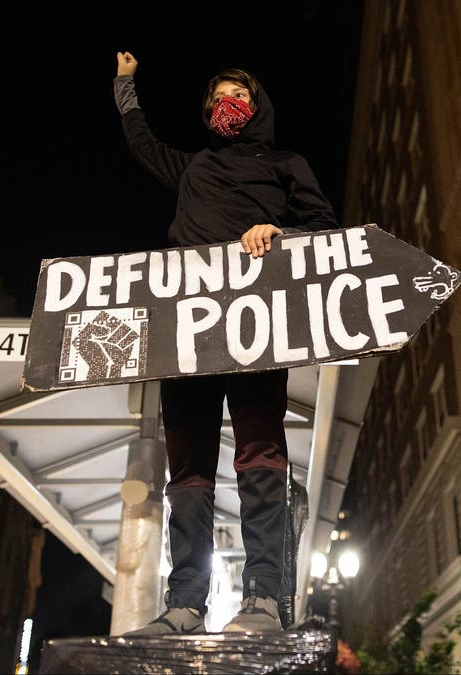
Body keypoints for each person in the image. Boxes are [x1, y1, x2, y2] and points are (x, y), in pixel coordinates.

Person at [112, 51, 338, 635]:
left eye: (237, 96)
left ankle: (263, 598)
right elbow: (140, 141)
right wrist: (125, 85)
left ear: (257, 105)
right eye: (216, 100)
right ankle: (184, 605)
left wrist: (280, 233)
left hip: (255, 326)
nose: (225, 106)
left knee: (260, 456)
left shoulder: (287, 163)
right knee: (187, 472)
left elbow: (322, 225)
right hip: (187, 334)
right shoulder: (191, 168)